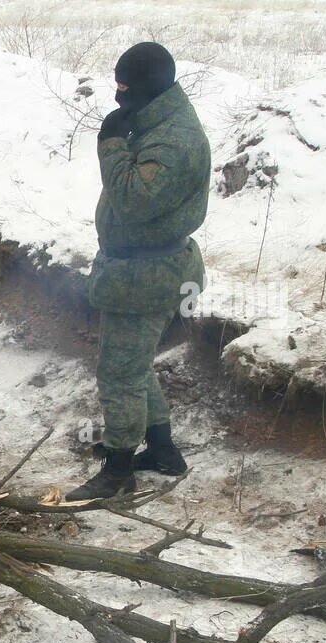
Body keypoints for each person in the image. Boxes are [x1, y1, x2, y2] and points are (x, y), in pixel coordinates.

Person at [67, 41, 209, 501]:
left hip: (149, 277)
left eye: (124, 89)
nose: (117, 98)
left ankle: (119, 467)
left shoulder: (175, 140)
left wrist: (109, 144)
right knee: (134, 364)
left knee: (119, 372)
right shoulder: (159, 121)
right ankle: (164, 451)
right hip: (139, 270)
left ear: (145, 88)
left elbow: (132, 199)